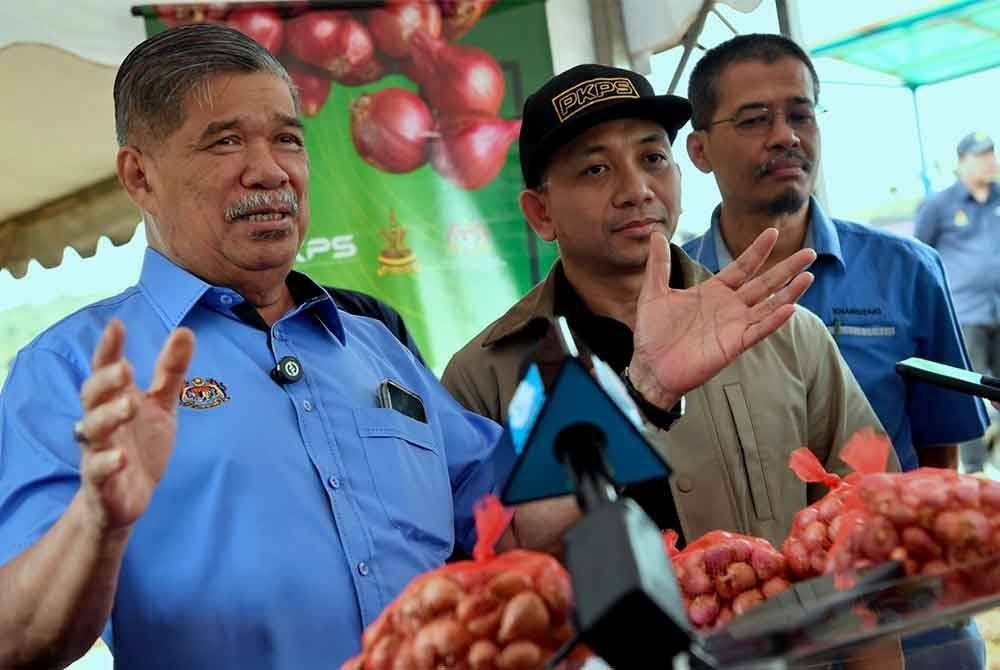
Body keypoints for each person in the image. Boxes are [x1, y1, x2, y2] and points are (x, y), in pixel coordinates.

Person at [0, 26, 822, 670]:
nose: (271, 171)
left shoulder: (375, 350)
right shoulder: (73, 371)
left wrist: (638, 387)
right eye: (224, 143)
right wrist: (98, 524)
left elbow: (515, 528)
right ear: (139, 176)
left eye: (287, 139)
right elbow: (21, 638)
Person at [442, 62, 899, 554]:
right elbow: (484, 571)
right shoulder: (483, 379)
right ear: (541, 212)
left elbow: (873, 510)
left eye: (654, 158)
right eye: (596, 169)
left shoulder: (785, 334)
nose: (637, 190)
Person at [680, 33, 987, 670]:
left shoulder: (908, 271)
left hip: (906, 617)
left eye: (800, 113)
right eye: (755, 119)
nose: (786, 135)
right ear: (699, 150)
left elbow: (939, 456)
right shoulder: (673, 304)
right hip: (755, 628)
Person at [914, 132, 1000, 472]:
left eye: (992, 153)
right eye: (981, 155)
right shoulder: (941, 205)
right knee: (972, 391)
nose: (990, 160)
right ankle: (976, 468)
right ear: (962, 162)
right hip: (966, 313)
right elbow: (919, 255)